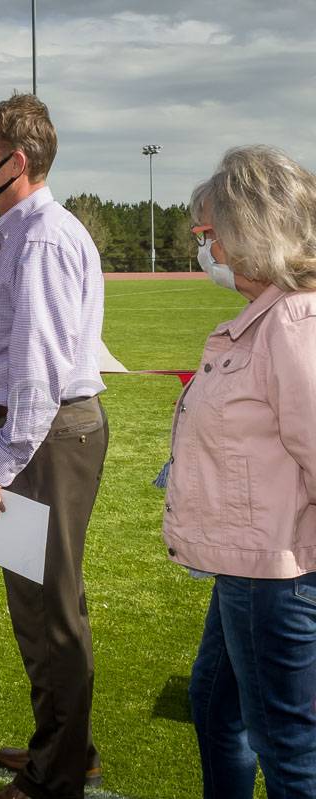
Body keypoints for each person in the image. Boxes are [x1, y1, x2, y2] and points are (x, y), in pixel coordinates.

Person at [0, 94, 107, 799]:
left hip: (46, 437)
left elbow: (43, 372)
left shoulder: (42, 236)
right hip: (41, 431)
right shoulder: (19, 227)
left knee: (51, 612)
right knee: (37, 605)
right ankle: (63, 745)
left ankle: (59, 775)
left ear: (18, 163)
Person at [164, 145, 316, 799]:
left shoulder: (291, 324)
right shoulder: (267, 321)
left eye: (209, 234)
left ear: (250, 230)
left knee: (287, 749)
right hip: (250, 567)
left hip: (275, 575)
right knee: (216, 704)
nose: (206, 251)